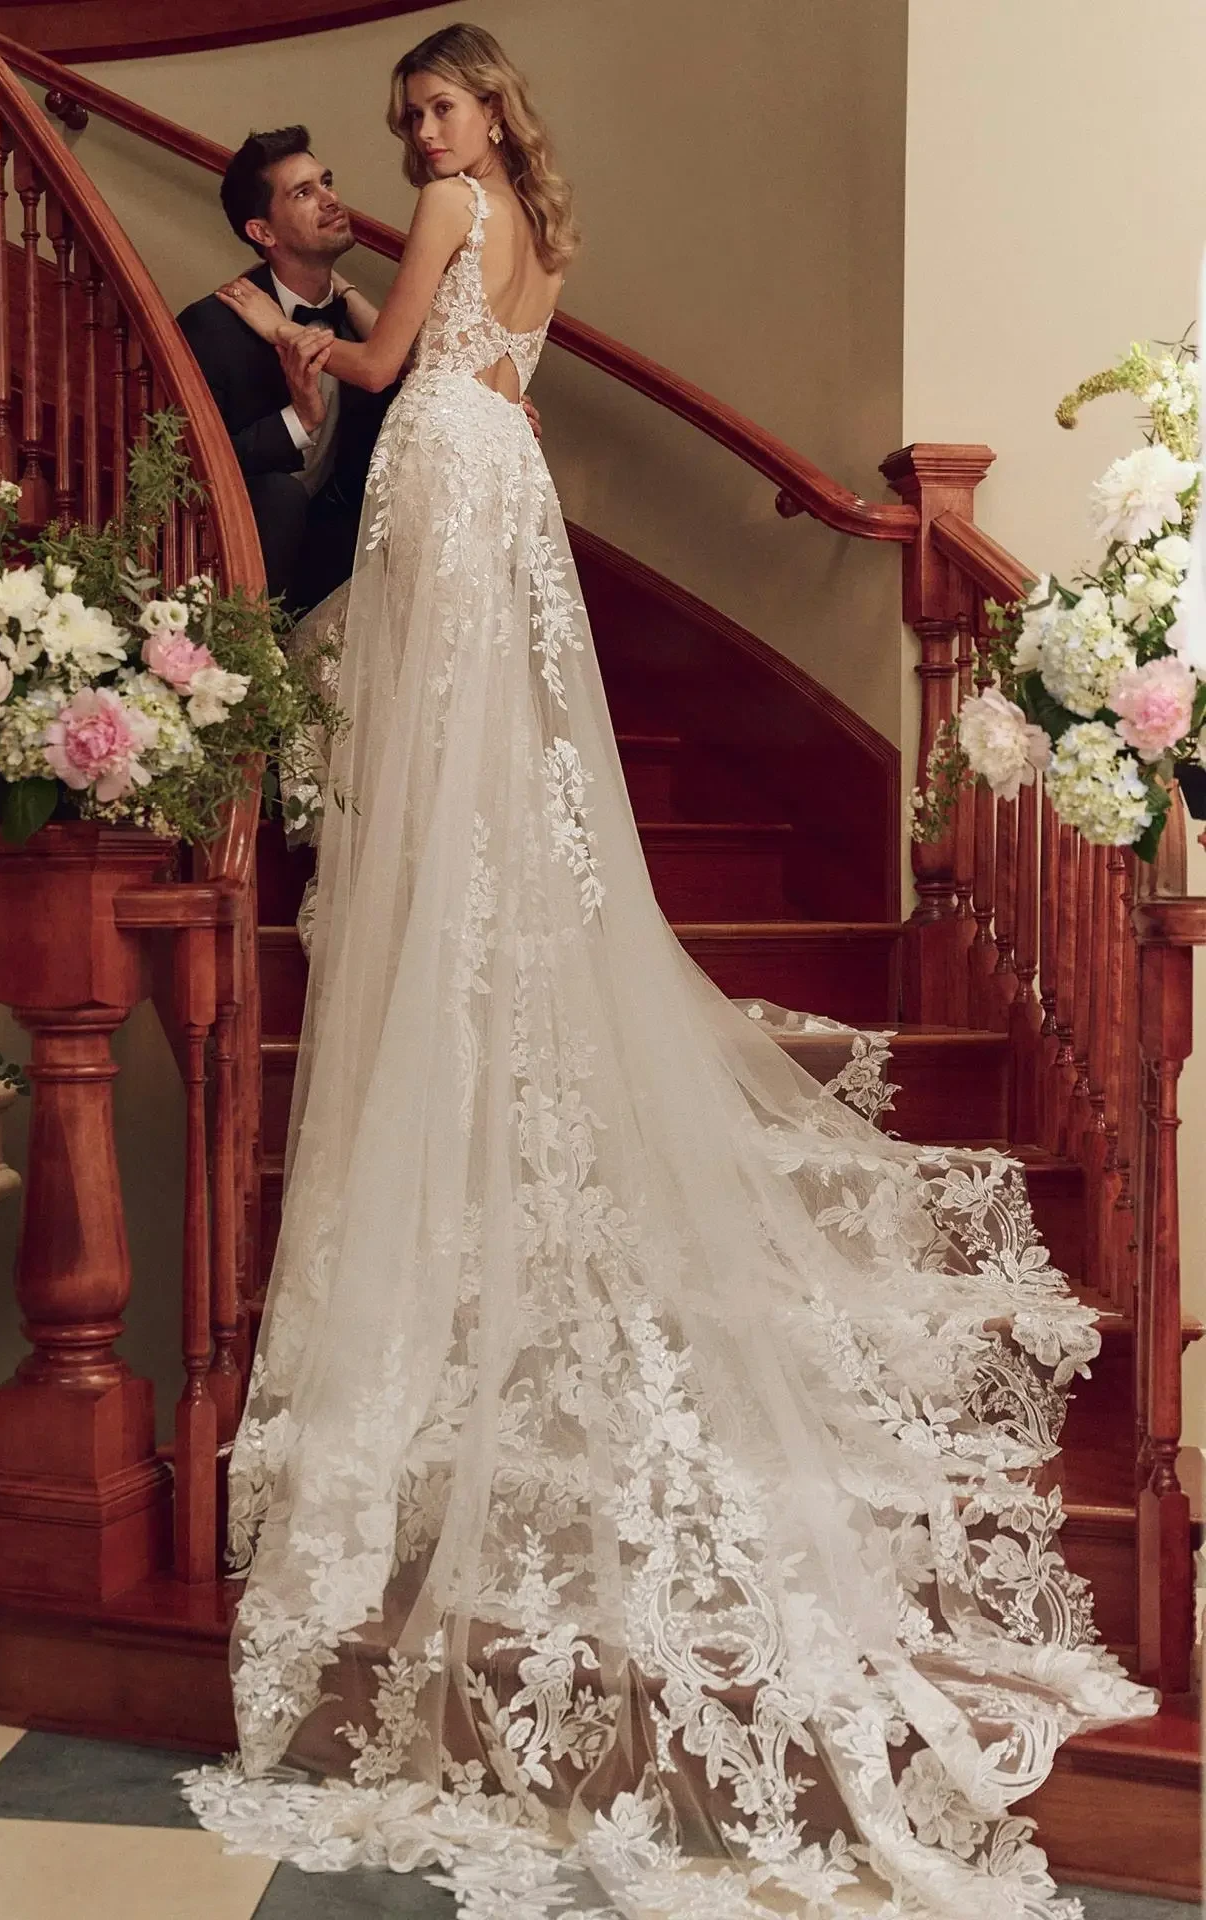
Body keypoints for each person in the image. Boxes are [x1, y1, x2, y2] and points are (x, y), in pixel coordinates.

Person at [183, 25, 1154, 1918]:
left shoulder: (456, 208)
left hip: (446, 488)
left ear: (477, 110)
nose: (416, 145)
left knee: (441, 776)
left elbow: (390, 370)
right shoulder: (542, 217)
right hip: (506, 489)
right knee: (476, 782)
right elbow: (502, 379)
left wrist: (314, 348)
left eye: (433, 110)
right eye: (403, 128)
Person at [176, 127, 394, 616]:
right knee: (279, 495)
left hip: (339, 550)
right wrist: (300, 419)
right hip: (243, 556)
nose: (331, 199)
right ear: (263, 233)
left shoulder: (365, 334)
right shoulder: (212, 326)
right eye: (304, 192)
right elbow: (188, 467)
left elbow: (415, 388)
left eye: (327, 182)